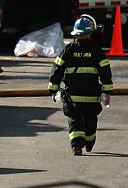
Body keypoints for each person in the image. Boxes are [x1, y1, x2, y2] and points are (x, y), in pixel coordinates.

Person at [48, 15, 114, 155]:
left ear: (76, 34)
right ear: (90, 33)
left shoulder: (68, 50)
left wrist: (53, 89)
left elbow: (57, 69)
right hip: (91, 95)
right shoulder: (96, 51)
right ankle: (89, 141)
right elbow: (105, 72)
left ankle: (76, 146)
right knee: (90, 120)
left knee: (74, 120)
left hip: (73, 96)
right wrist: (107, 91)